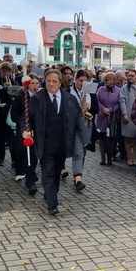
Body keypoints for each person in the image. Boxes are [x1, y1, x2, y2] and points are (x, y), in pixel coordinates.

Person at [20, 69, 87, 215]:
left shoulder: (69, 98)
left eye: (55, 81)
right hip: (45, 143)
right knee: (48, 171)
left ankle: (51, 192)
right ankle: (52, 204)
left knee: (56, 171)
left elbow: (78, 118)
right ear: (45, 80)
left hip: (63, 143)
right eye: (48, 81)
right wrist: (26, 130)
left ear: (60, 82)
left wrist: (85, 138)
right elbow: (27, 118)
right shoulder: (37, 99)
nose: (51, 84)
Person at [11, 75, 40, 195]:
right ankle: (29, 180)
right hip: (25, 130)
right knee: (25, 154)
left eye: (37, 83)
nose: (35, 86)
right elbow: (15, 116)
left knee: (33, 156)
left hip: (37, 131)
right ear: (28, 84)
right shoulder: (20, 98)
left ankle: (30, 176)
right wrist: (23, 128)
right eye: (33, 83)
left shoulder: (40, 97)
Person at [67, 69, 94, 191]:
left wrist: (90, 107)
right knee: (78, 151)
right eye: (80, 80)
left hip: (86, 124)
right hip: (74, 125)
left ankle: (78, 174)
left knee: (83, 151)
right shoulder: (69, 92)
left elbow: (97, 108)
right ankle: (78, 179)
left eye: (85, 81)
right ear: (75, 80)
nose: (82, 83)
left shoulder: (89, 92)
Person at [0, 62, 18, 167]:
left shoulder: (15, 82)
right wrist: (4, 88)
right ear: (0, 72)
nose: (5, 73)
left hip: (11, 112)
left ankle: (13, 160)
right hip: (1, 112)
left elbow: (16, 96)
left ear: (11, 72)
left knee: (12, 137)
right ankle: (1, 157)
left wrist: (11, 89)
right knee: (0, 137)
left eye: (8, 71)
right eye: (3, 71)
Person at [96, 73, 121, 165]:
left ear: (113, 80)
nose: (105, 81)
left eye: (107, 80)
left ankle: (110, 156)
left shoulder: (119, 91)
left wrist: (110, 110)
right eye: (105, 80)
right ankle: (103, 158)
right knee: (102, 137)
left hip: (112, 117)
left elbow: (119, 103)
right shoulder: (100, 89)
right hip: (102, 117)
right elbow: (97, 100)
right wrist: (103, 109)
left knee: (112, 138)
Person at [120, 69, 136, 167]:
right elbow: (122, 100)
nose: (130, 77)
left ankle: (135, 156)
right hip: (128, 113)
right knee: (128, 137)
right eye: (129, 76)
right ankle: (129, 156)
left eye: (132, 75)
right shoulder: (125, 88)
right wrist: (124, 113)